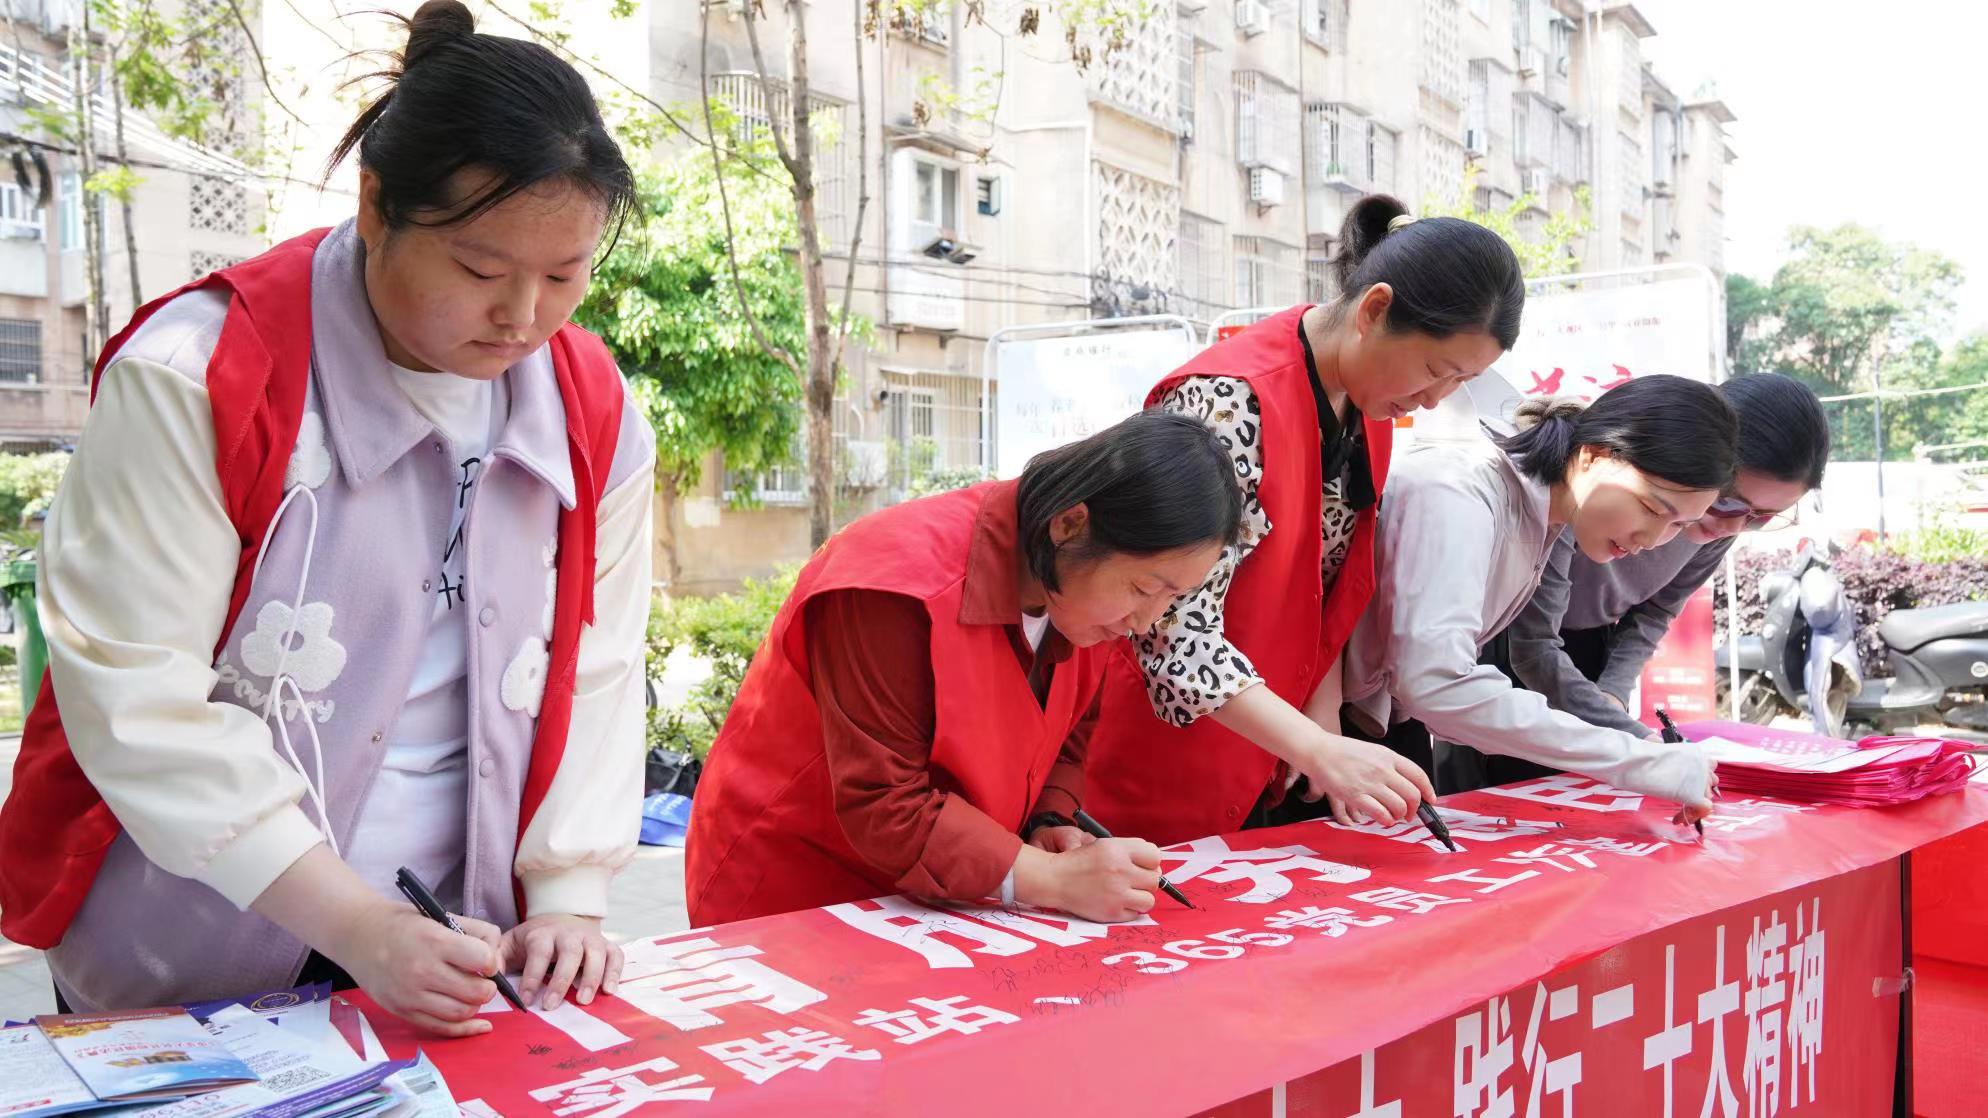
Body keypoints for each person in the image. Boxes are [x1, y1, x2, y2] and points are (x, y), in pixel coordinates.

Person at [0, 0, 652, 1036]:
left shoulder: (592, 409)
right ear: (374, 203)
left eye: (564, 276)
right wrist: (355, 923)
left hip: (456, 934)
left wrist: (570, 890)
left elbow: (605, 658)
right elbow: (137, 694)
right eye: (481, 270)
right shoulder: (202, 374)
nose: (521, 317)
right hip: (190, 938)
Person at [685, 410, 1242, 927]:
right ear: (1071, 525)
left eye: (1171, 600)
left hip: (942, 896)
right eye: (1145, 589)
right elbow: (885, 803)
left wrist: (1050, 825)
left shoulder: (1084, 601)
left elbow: (1069, 738)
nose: (1146, 622)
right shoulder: (893, 585)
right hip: (796, 886)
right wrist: (1048, 879)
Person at [1084, 195, 1525, 844]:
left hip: (1264, 746)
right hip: (1161, 757)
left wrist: (1320, 731)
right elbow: (1168, 628)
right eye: (1436, 369)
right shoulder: (1227, 400)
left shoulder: (1365, 404)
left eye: (1458, 382)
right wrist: (1318, 748)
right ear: (1374, 311)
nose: (1434, 401)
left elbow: (1322, 590)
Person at [1339, 376, 1735, 821]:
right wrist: (1637, 760)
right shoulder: (1461, 491)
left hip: (1373, 723)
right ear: (1593, 457)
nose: (1654, 540)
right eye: (1653, 509)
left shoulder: (1542, 512)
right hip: (1318, 732)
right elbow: (1437, 683)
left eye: (1680, 526)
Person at [1460, 375, 1831, 785]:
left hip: (1582, 651)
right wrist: (1640, 743)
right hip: (1506, 644)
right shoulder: (1572, 498)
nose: (1735, 526)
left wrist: (1614, 698)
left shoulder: (1717, 523)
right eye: (1727, 503)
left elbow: (1657, 612)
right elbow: (1528, 650)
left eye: (1762, 519)